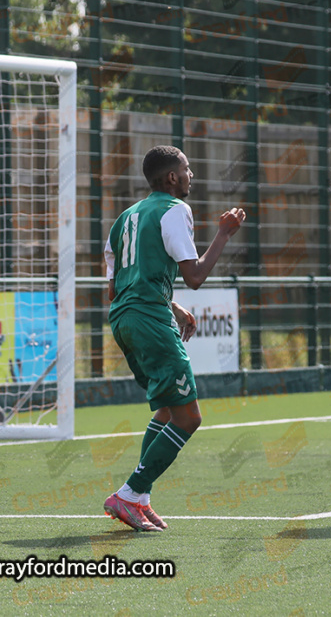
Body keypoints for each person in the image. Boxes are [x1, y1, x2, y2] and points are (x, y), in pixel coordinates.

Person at [102, 145, 246, 531]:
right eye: (186, 169)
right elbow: (195, 277)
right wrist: (224, 233)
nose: (191, 175)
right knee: (188, 417)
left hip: (123, 319)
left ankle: (141, 499)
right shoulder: (174, 210)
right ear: (171, 178)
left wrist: (172, 307)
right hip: (148, 319)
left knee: (166, 409)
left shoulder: (125, 218)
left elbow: (116, 288)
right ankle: (129, 494)